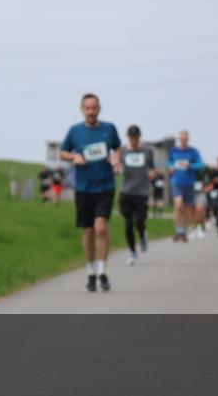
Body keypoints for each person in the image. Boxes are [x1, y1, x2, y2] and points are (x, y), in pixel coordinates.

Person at [59, 93, 122, 292]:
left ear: (99, 109)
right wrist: (74, 156)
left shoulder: (109, 129)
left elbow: (118, 147)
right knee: (88, 231)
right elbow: (62, 151)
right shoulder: (75, 131)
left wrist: (115, 158)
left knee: (101, 227)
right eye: (87, 108)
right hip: (84, 187)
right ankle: (91, 272)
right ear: (82, 109)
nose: (91, 111)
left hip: (105, 186)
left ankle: (102, 272)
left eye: (94, 108)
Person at [118, 125, 156, 265]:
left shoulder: (147, 151)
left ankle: (142, 235)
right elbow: (116, 163)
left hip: (141, 192)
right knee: (128, 224)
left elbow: (152, 167)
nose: (133, 140)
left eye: (136, 137)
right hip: (126, 192)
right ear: (128, 137)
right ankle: (133, 252)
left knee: (139, 222)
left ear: (139, 137)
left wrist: (152, 172)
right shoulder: (122, 151)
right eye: (131, 137)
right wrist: (115, 167)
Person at [167, 130, 204, 242]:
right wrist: (171, 167)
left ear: (188, 139)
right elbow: (169, 162)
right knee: (178, 206)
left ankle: (183, 231)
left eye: (185, 139)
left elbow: (200, 165)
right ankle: (179, 231)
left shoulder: (193, 151)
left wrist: (190, 165)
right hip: (177, 182)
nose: (183, 141)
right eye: (181, 139)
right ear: (179, 139)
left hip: (189, 183)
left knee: (187, 210)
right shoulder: (173, 151)